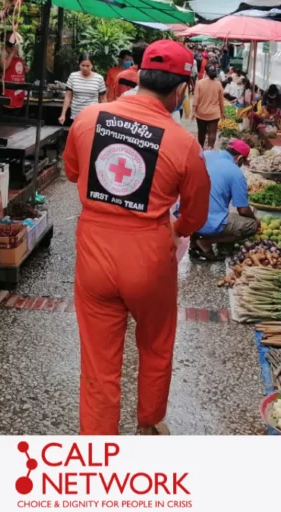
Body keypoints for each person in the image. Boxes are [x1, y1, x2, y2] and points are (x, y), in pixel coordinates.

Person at [63, 40, 211, 436]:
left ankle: (97, 444)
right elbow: (194, 216)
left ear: (140, 74)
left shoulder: (89, 118)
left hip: (94, 255)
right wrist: (173, 230)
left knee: (99, 360)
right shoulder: (184, 143)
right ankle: (148, 420)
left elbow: (73, 173)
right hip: (149, 257)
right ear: (180, 90)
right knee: (156, 344)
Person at [190, 140, 258, 260]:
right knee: (251, 225)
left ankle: (195, 238)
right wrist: (256, 220)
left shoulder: (206, 155)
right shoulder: (235, 172)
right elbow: (243, 210)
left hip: (186, 217)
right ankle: (206, 241)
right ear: (240, 158)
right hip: (206, 221)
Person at [59, 53, 107, 126]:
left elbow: (103, 99)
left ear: (92, 66)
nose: (85, 68)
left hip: (92, 116)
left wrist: (105, 116)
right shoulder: (73, 76)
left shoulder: (99, 78)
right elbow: (68, 96)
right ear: (79, 65)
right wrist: (63, 114)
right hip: (76, 115)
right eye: (82, 65)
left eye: (88, 66)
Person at [192, 66, 225, 149]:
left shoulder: (199, 83)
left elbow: (196, 98)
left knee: (201, 132)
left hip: (201, 113)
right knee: (212, 133)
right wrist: (222, 112)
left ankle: (201, 148)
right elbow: (221, 100)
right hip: (214, 113)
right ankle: (210, 148)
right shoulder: (218, 84)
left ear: (205, 72)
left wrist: (193, 111)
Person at [0, 33, 26, 111]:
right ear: (7, 48)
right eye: (11, 48)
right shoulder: (4, 57)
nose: (14, 49)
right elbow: (4, 67)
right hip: (9, 96)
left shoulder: (20, 59)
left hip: (19, 95)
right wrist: (12, 53)